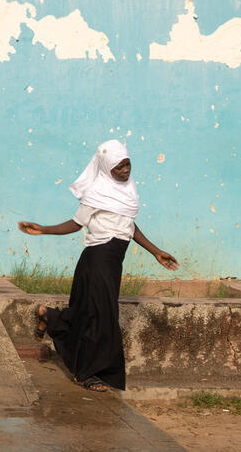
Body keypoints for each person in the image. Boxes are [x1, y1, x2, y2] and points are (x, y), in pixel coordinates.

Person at [17, 139, 179, 391]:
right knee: (100, 317)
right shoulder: (97, 192)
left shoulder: (127, 191)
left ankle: (50, 316)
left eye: (127, 164)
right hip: (97, 259)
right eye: (118, 167)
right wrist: (45, 230)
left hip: (114, 261)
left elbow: (128, 225)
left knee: (88, 312)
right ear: (105, 169)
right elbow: (76, 223)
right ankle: (86, 374)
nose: (125, 171)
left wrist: (156, 252)